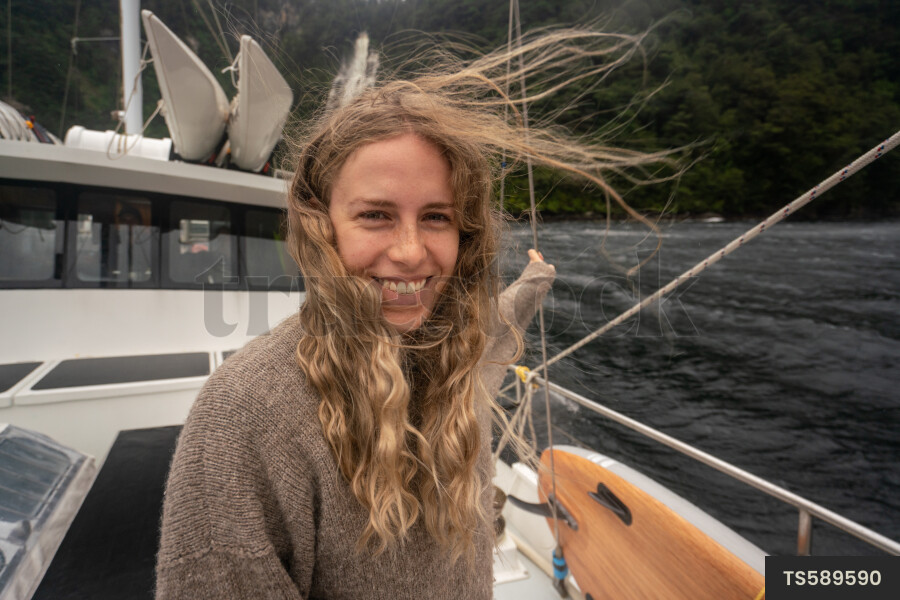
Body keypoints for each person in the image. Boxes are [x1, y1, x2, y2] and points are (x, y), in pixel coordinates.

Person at [156, 27, 674, 600]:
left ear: (465, 231)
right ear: (319, 224)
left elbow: (495, 332)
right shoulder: (245, 415)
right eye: (376, 215)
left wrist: (535, 281)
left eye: (436, 217)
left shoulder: (454, 356)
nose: (409, 251)